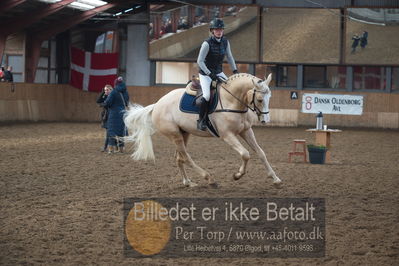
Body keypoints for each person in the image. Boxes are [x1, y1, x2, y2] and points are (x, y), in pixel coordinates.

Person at [196, 18, 238, 131]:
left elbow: (229, 57)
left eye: (221, 29)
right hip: (205, 74)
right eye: (217, 30)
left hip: (218, 72)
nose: (219, 32)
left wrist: (235, 71)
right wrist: (209, 74)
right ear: (212, 31)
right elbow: (199, 61)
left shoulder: (225, 41)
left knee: (231, 89)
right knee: (207, 96)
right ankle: (201, 120)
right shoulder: (206, 44)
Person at [101, 77, 129, 154]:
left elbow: (108, 102)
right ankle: (121, 150)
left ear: (115, 84)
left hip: (114, 114)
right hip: (123, 113)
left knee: (111, 131)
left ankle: (111, 149)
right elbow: (126, 103)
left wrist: (104, 104)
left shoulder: (114, 92)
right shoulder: (125, 92)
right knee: (121, 132)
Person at [96, 84, 113, 152]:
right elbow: (98, 101)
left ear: (111, 90)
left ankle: (106, 147)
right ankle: (107, 147)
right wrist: (103, 92)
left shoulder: (111, 96)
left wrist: (102, 105)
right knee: (108, 132)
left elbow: (106, 104)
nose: (106, 91)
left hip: (110, 115)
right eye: (105, 90)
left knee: (109, 133)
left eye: (107, 90)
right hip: (106, 116)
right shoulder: (105, 96)